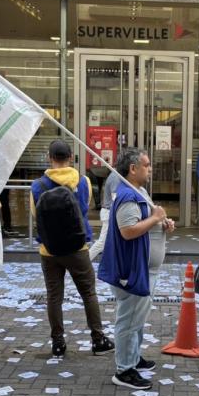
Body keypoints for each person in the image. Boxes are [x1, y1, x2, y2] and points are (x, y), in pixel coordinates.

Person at [30, 140, 114, 358]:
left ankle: (58, 343)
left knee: (54, 296)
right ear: (70, 157)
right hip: (78, 248)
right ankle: (98, 339)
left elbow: (35, 216)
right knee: (88, 293)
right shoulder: (83, 181)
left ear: (50, 157)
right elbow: (84, 208)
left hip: (49, 251)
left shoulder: (37, 186)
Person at [99, 148, 174, 390]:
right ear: (133, 169)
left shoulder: (138, 192)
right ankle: (124, 370)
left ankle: (133, 357)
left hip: (144, 270)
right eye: (147, 165)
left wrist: (162, 223)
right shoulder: (127, 197)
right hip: (132, 272)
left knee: (137, 320)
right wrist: (155, 219)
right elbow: (128, 231)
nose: (150, 169)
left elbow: (147, 221)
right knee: (129, 320)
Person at [88, 171, 121, 261]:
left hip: (111, 211)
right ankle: (84, 263)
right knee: (102, 242)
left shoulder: (116, 175)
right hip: (109, 212)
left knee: (114, 242)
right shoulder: (115, 176)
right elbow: (115, 197)